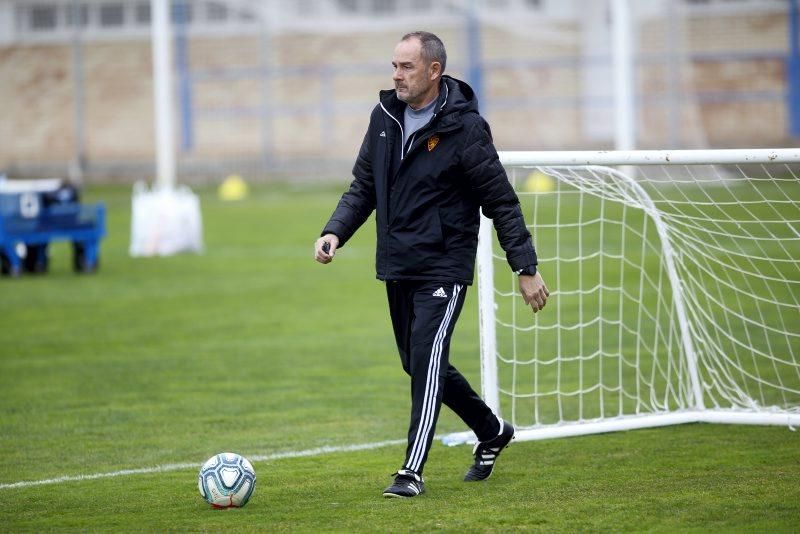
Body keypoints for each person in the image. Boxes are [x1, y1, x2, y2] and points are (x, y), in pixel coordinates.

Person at [314, 31, 549, 498]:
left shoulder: (466, 129)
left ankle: (411, 471)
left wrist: (525, 266)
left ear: (434, 71)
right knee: (418, 362)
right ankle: (492, 430)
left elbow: (501, 201)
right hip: (398, 262)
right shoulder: (382, 118)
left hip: (444, 265)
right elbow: (363, 186)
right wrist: (334, 230)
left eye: (406, 67)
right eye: (394, 66)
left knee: (426, 361)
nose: (396, 75)